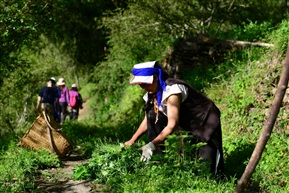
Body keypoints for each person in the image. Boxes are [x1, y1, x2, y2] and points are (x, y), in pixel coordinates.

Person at [124, 61, 224, 176]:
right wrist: (132, 140)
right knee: (152, 114)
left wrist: (152, 144)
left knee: (207, 170)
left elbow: (172, 124)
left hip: (205, 121)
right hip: (186, 121)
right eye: (141, 84)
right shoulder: (152, 94)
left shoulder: (172, 90)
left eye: (145, 83)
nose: (143, 87)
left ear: (156, 77)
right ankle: (158, 162)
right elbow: (148, 119)